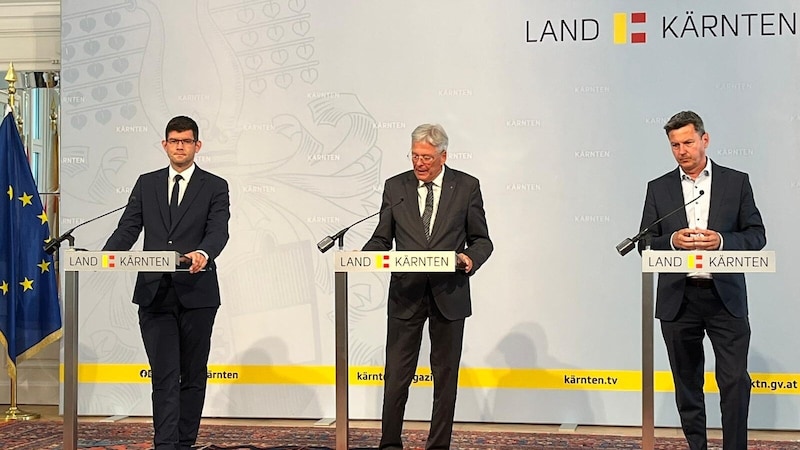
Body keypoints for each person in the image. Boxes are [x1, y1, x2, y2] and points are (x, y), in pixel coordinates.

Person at [638, 111, 766, 450]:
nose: (682, 151)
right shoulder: (659, 188)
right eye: (675, 145)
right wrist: (672, 241)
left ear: (705, 140)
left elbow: (756, 236)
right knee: (687, 384)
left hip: (725, 297)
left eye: (688, 142)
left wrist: (722, 241)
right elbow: (645, 242)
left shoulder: (736, 182)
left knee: (735, 380)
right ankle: (697, 446)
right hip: (678, 300)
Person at [362, 123, 493, 450]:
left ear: (443, 156)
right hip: (406, 294)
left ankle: (438, 446)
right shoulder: (396, 187)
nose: (419, 163)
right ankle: (390, 443)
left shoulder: (466, 187)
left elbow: (481, 240)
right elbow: (382, 237)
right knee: (396, 377)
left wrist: (468, 259)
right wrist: (366, 257)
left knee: (445, 378)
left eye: (427, 158)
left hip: (450, 293)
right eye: (415, 156)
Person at [103, 115, 230, 450]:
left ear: (197, 146)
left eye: (186, 141)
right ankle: (165, 445)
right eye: (174, 141)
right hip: (154, 293)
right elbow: (129, 228)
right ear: (164, 145)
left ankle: (184, 442)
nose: (179, 147)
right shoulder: (146, 183)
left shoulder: (215, 185)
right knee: (163, 375)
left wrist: (204, 252)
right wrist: (104, 256)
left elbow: (219, 230)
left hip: (197, 293)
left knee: (192, 374)